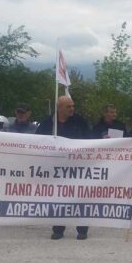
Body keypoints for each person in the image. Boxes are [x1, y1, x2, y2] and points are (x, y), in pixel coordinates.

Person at [36, 95, 93, 240]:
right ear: (59, 107)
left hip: (78, 166)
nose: (72, 109)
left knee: (81, 196)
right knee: (59, 197)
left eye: (73, 106)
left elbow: (90, 140)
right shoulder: (48, 123)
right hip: (56, 168)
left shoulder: (80, 122)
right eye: (68, 106)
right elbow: (37, 141)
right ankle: (58, 229)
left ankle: (82, 229)